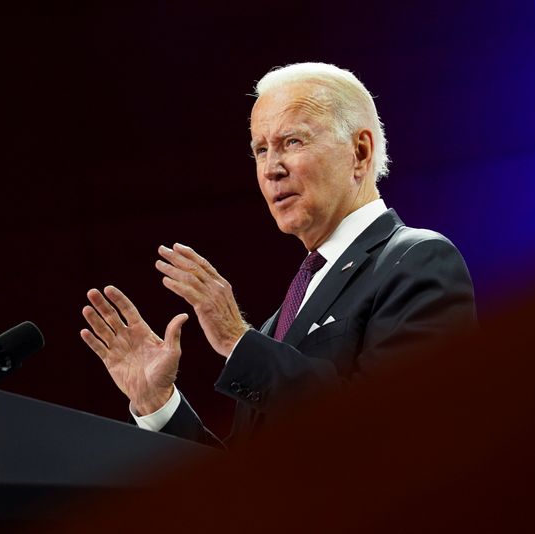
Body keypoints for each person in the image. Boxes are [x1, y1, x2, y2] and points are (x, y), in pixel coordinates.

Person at [80, 62, 476, 448]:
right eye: (260, 149)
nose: (271, 169)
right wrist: (158, 406)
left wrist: (238, 339)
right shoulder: (280, 321)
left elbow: (387, 425)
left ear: (359, 151)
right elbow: (242, 487)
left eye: (292, 142)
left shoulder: (417, 260)